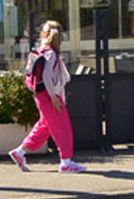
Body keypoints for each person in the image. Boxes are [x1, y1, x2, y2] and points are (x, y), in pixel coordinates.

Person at [9, 20, 86, 173]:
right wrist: (54, 97)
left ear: (43, 34)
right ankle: (66, 162)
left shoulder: (42, 51)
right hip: (49, 96)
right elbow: (47, 75)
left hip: (40, 95)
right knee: (63, 128)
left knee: (44, 127)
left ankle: (19, 152)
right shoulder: (52, 53)